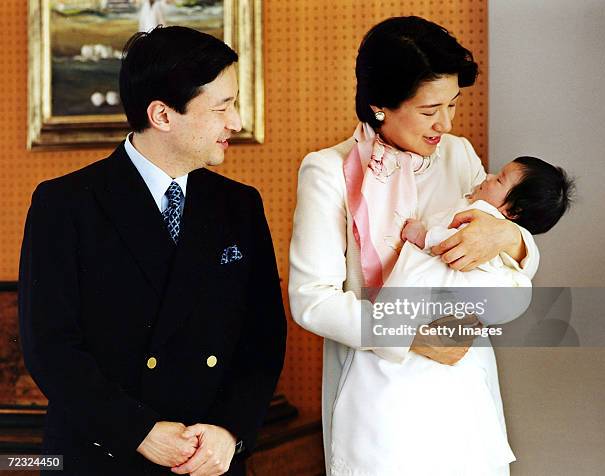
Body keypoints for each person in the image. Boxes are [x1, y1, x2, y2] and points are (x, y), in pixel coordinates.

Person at [19, 26, 286, 476]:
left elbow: (263, 339)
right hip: (101, 456)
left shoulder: (240, 205)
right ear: (162, 115)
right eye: (222, 107)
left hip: (206, 460)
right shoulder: (65, 204)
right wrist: (139, 430)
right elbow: (50, 347)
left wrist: (229, 432)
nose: (235, 123)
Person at [289, 16, 541, 475]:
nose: (445, 123)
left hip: (463, 387)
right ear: (381, 104)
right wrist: (414, 335)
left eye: (453, 105)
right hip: (380, 396)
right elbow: (312, 302)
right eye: (430, 111)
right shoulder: (327, 170)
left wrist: (511, 238)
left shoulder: (458, 154)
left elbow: (501, 247)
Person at [402, 156, 575, 250]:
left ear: (512, 211)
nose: (488, 176)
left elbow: (458, 240)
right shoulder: (480, 203)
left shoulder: (485, 219)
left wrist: (423, 236)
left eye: (499, 180)